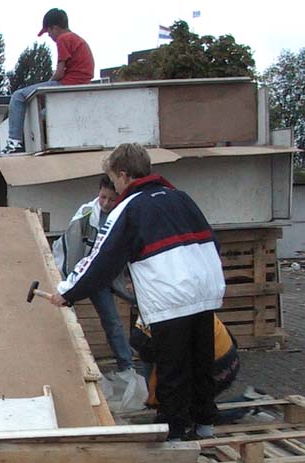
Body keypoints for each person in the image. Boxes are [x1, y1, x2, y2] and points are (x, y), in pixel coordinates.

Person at [49, 143, 225, 440]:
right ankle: (204, 426)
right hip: (205, 289)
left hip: (171, 296)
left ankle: (174, 434)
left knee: (172, 368)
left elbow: (102, 258)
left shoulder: (130, 207)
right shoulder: (180, 198)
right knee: (200, 362)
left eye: (114, 180)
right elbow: (212, 241)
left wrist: (68, 291)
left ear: (123, 174)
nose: (114, 188)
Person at [53, 175, 133, 374]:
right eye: (102, 197)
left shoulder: (126, 214)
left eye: (111, 199)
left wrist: (129, 280)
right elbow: (72, 250)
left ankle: (127, 367)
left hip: (108, 274)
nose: (106, 203)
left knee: (113, 322)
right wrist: (69, 284)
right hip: (85, 274)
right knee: (76, 317)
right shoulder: (86, 214)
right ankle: (69, 366)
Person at [2, 8, 94, 154]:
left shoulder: (64, 39)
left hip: (68, 84)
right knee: (43, 114)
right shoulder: (78, 39)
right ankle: (40, 141)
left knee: (18, 97)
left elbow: (59, 72)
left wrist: (45, 87)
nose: (49, 36)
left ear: (55, 28)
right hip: (80, 85)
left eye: (48, 32)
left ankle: (14, 142)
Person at [131, 313, 240, 423]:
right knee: (191, 406)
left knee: (191, 414)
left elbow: (165, 364)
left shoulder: (150, 326)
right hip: (228, 356)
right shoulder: (190, 303)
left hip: (216, 365)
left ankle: (244, 405)